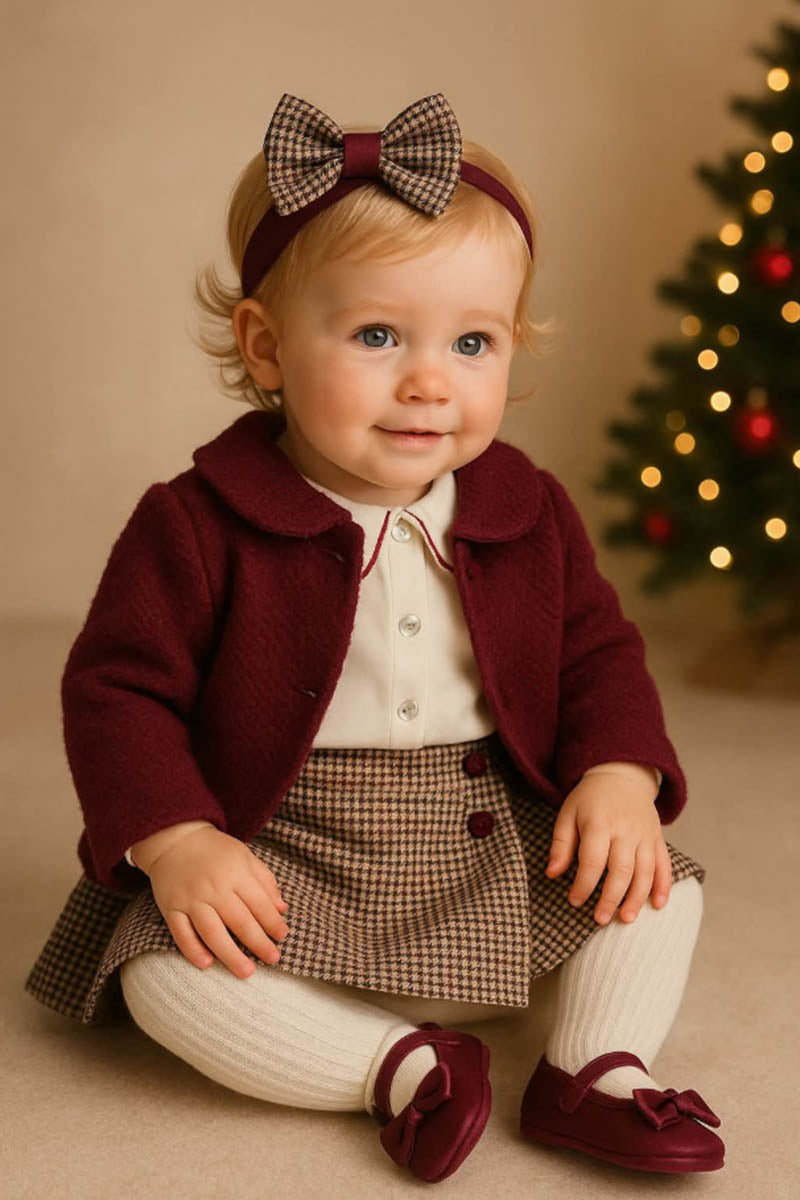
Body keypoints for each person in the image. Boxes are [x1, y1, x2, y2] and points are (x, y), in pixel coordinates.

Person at [24, 92, 724, 1182]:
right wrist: (178, 843)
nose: (429, 381)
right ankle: (395, 1066)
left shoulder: (523, 507)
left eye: (473, 341)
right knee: (164, 975)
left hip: (481, 826)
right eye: (376, 335)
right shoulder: (199, 520)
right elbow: (117, 693)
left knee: (657, 886)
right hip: (279, 837)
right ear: (264, 347)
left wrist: (619, 774)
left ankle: (592, 1067)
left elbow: (596, 652)